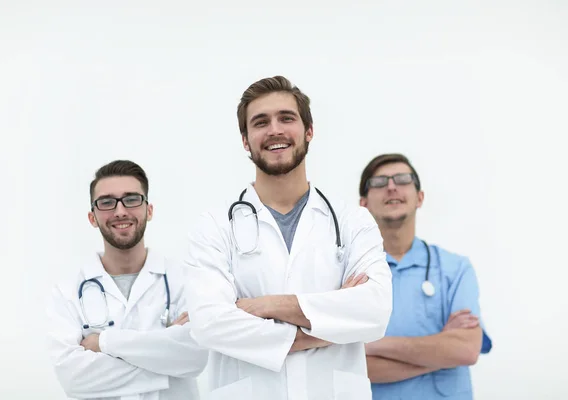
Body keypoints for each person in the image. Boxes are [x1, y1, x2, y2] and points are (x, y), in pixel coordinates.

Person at [182, 76, 393, 400]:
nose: (274, 130)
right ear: (245, 139)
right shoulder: (215, 226)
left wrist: (267, 306)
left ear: (309, 131)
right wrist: (326, 328)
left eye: (286, 118)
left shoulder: (352, 221)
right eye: (260, 122)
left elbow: (375, 312)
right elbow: (209, 323)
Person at [46, 160, 208, 400]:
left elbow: (195, 358)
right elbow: (74, 379)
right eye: (107, 202)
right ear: (93, 217)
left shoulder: (185, 280)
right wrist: (164, 358)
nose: (120, 211)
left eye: (131, 199)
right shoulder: (67, 291)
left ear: (149, 210)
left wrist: (104, 342)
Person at [358, 153, 493, 400]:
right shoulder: (350, 274)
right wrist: (441, 351)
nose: (391, 187)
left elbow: (466, 350)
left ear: (420, 198)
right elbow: (352, 366)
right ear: (363, 203)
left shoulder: (455, 269)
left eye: (402, 179)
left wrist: (373, 346)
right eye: (379, 182)